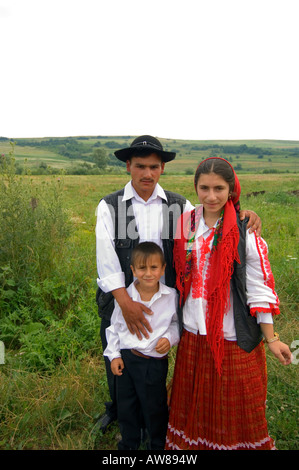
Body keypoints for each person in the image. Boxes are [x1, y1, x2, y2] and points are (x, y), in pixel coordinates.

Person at [95, 135, 262, 433]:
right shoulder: (110, 207)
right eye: (140, 166)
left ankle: (155, 415)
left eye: (154, 167)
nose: (147, 173)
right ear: (128, 167)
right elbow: (107, 261)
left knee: (157, 359)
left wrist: (244, 215)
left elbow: (213, 218)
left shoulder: (179, 205)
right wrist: (126, 304)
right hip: (122, 300)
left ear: (163, 169)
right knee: (119, 355)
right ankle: (119, 411)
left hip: (164, 301)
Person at [165, 157, 292, 451]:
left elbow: (259, 286)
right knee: (198, 405)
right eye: (204, 188)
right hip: (194, 332)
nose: (211, 196)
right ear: (195, 188)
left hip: (231, 334)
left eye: (219, 188)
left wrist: (271, 338)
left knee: (235, 405)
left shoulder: (245, 228)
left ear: (231, 189)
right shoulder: (187, 222)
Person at [104, 242, 179, 450]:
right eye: (142, 268)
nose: (148, 273)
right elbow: (114, 327)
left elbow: (177, 324)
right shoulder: (126, 298)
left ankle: (157, 445)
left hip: (153, 362)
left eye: (154, 268)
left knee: (154, 407)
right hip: (127, 360)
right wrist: (114, 355)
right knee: (127, 406)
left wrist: (170, 338)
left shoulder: (170, 296)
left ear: (163, 269)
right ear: (133, 270)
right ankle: (129, 445)